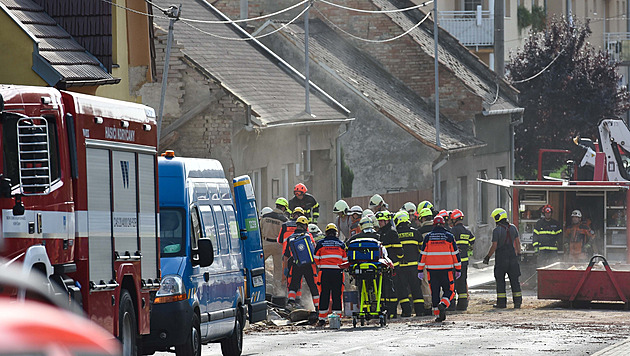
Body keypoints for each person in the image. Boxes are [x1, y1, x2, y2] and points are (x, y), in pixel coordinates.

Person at [418, 215, 461, 322]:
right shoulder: (449, 237)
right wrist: (458, 269)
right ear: (443, 224)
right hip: (447, 270)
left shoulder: (428, 237)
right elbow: (455, 254)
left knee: (435, 292)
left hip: (431, 271)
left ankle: (438, 315)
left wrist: (420, 270)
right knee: (450, 291)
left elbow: (422, 255)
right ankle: (443, 304)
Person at [483, 208, 522, 309]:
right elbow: (517, 242)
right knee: (514, 280)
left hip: (501, 259)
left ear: (498, 217)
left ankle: (501, 303)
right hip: (512, 257)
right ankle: (517, 303)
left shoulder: (497, 230)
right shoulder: (513, 228)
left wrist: (487, 257)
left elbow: (494, 246)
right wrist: (519, 254)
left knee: (500, 281)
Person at [393, 211, 428, 317]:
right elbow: (421, 249)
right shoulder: (416, 232)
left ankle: (406, 311)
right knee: (416, 289)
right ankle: (420, 311)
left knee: (402, 289)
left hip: (401, 267)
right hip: (414, 267)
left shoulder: (396, 234)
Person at [314, 223, 347, 326]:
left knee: (324, 295)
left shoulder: (320, 243)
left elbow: (315, 258)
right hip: (337, 272)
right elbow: (345, 260)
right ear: (336, 233)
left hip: (325, 272)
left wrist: (322, 265)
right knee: (337, 295)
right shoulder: (341, 244)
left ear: (326, 233)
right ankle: (337, 319)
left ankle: (322, 319)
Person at [283, 216, 320, 310]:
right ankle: (318, 307)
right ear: (305, 226)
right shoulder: (309, 236)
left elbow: (287, 255)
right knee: (312, 286)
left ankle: (291, 303)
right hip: (309, 265)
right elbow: (314, 250)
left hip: (296, 264)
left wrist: (286, 268)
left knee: (293, 285)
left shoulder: (291, 238)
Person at [376, 210, 404, 319]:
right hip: (384, 266)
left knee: (392, 289)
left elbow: (399, 250)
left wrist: (398, 261)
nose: (380, 223)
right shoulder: (381, 233)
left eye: (382, 221)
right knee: (383, 289)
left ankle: (392, 312)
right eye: (379, 221)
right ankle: (385, 312)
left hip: (392, 266)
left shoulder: (391, 232)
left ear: (388, 220)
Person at [260, 198, 289, 296]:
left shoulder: (265, 216)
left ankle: (259, 287)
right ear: (284, 208)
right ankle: (277, 292)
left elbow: (260, 229)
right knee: (278, 270)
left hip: (265, 243)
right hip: (278, 246)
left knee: (259, 265)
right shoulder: (284, 220)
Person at [449, 209, 475, 311]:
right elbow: (472, 241)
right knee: (463, 281)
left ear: (454, 219)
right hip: (464, 261)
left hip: (454, 261)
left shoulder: (453, 231)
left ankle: (452, 304)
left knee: (453, 282)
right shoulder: (467, 231)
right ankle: (463, 305)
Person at [416, 207, 435, 313]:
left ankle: (428, 304)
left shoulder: (419, 231)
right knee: (437, 281)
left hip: (425, 260)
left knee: (425, 283)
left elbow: (419, 248)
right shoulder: (437, 228)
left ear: (423, 219)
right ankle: (440, 302)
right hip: (437, 260)